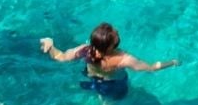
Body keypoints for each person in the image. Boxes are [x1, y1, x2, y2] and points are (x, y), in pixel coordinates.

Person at [39, 23, 179, 85]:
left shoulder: (86, 49)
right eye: (116, 33)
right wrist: (172, 62)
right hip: (113, 83)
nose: (116, 30)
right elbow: (151, 68)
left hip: (91, 77)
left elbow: (61, 57)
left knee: (103, 94)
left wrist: (50, 45)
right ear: (112, 46)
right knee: (115, 99)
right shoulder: (124, 59)